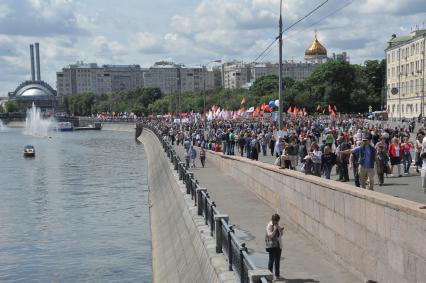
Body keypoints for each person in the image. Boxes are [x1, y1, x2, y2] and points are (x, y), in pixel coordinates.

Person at [265, 214, 284, 282]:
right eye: (276, 221)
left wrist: (280, 229)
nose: (277, 222)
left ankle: (277, 275)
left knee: (277, 261)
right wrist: (275, 229)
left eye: (278, 221)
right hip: (272, 246)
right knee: (271, 260)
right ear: (273, 220)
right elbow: (270, 235)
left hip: (278, 245)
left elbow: (281, 235)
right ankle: (270, 276)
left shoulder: (277, 224)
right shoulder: (269, 225)